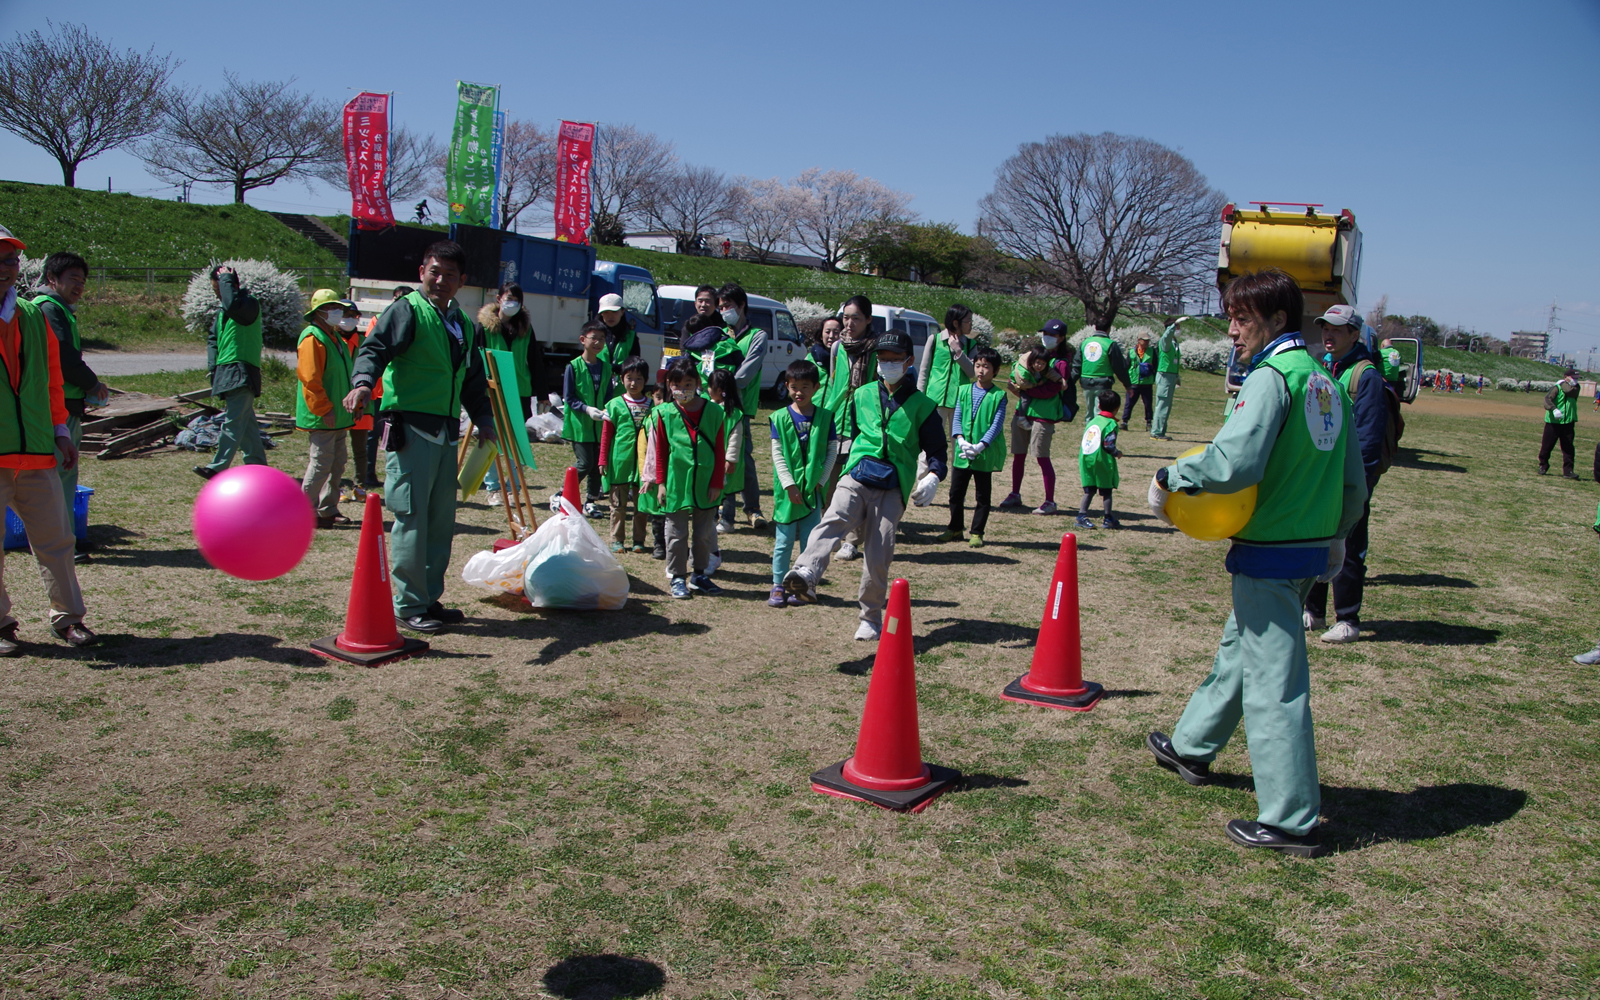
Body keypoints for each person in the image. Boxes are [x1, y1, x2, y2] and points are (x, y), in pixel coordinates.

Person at [1145, 268, 1366, 859]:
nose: (1233, 329)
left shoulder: (1273, 379)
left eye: (1241, 318)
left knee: (1275, 685)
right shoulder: (1326, 380)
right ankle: (1192, 745)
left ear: (1273, 320)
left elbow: (1234, 461)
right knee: (1241, 650)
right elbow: (1353, 482)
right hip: (1309, 548)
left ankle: (1291, 818)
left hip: (1271, 549)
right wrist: (1338, 536)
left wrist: (1171, 476)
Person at [344, 241, 496, 635]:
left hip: (446, 434)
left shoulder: (463, 324)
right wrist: (362, 384)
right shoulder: (407, 310)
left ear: (462, 280)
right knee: (411, 519)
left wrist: (484, 418)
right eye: (434, 271)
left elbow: (473, 381)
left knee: (440, 522)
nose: (440, 280)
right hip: (410, 430)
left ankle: (428, 597)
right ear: (422, 273)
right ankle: (408, 604)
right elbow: (373, 350)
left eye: (449, 274)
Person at [782, 329, 947, 641]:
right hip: (858, 473)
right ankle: (806, 572)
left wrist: (933, 477)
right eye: (882, 360)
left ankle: (870, 617)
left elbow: (937, 451)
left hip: (894, 484)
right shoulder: (862, 395)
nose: (887, 365)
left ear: (909, 361)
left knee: (878, 551)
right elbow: (857, 432)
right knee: (834, 517)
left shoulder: (924, 406)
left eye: (894, 360)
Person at [0, 224, 97, 650]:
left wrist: (60, 431)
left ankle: (68, 619)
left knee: (57, 540)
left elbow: (52, 379)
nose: (5, 267)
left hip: (38, 449)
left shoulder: (33, 314)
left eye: (10, 259)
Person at [1304, 304, 1391, 644]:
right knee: (1314, 539)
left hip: (1348, 478)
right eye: (1326, 328)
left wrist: (1359, 485)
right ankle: (1314, 611)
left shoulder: (1365, 375)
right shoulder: (1324, 367)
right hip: (1321, 475)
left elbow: (1369, 438)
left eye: (1338, 329)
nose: (1329, 334)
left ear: (1355, 334)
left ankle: (1348, 620)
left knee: (1349, 545)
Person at [32, 251, 108, 563]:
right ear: (52, 279)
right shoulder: (50, 309)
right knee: (59, 476)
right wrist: (93, 384)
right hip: (56, 406)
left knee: (62, 475)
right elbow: (64, 357)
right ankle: (61, 546)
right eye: (72, 279)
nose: (79, 285)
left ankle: (65, 540)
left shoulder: (57, 309)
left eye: (82, 280)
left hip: (61, 403)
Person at [648, 357, 727, 599]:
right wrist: (660, 482)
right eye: (677, 385)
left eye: (688, 384)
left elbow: (719, 449)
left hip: (705, 482)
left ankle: (700, 575)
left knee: (704, 533)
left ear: (697, 383)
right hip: (676, 482)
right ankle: (677, 577)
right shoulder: (663, 414)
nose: (683, 390)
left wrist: (716, 483)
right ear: (669, 386)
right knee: (675, 533)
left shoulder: (714, 411)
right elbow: (660, 451)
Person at [767, 360, 837, 607]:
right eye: (794, 386)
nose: (799, 392)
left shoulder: (826, 418)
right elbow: (777, 454)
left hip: (814, 491)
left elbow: (831, 450)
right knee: (784, 541)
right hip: (788, 493)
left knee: (810, 541)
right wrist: (789, 484)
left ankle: (805, 585)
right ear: (786, 386)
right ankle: (778, 584)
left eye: (805, 386)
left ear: (816, 387)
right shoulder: (779, 417)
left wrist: (821, 480)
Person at [195, 264, 266, 480]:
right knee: (246, 424)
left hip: (242, 368)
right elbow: (212, 340)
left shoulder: (248, 305)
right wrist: (213, 369)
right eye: (216, 291)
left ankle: (218, 467)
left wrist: (225, 278)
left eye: (221, 290)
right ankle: (258, 467)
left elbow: (233, 304)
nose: (219, 296)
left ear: (232, 286)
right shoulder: (222, 312)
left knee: (234, 420)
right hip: (227, 369)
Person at [294, 290, 357, 529]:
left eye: (337, 307)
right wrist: (323, 408)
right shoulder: (312, 338)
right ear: (319, 312)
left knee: (337, 463)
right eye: (332, 308)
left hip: (340, 415)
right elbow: (310, 379)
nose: (338, 312)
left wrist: (356, 404)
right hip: (324, 415)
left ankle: (327, 509)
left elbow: (345, 377)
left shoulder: (334, 338)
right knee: (320, 463)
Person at [819, 295, 878, 545]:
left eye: (856, 318)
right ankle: (828, 533)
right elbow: (833, 384)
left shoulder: (876, 348)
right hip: (835, 420)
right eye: (846, 317)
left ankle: (852, 540)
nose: (849, 323)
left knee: (856, 484)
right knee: (828, 481)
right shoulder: (836, 347)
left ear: (868, 320)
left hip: (863, 423)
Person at [479, 282, 543, 502]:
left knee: (516, 440)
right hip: (492, 390)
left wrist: (541, 392)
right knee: (493, 439)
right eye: (508, 298)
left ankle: (514, 485)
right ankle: (494, 487)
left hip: (519, 391)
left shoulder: (526, 329)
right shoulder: (484, 327)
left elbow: (535, 360)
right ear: (498, 298)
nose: (512, 303)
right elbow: (475, 359)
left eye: (516, 300)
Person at [939, 346, 1007, 547]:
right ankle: (955, 528)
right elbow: (957, 416)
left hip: (983, 453)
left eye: (986, 367)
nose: (981, 370)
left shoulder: (999, 395)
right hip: (963, 450)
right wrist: (960, 439)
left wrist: (980, 446)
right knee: (955, 493)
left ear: (995, 371)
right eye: (978, 365)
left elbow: (996, 424)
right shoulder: (964, 390)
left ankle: (977, 532)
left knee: (982, 496)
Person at [717, 284, 768, 532]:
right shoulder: (719, 334)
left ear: (741, 306)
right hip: (716, 406)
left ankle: (752, 509)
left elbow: (747, 372)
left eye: (728, 306)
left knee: (742, 457)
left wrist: (724, 384)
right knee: (718, 455)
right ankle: (721, 507)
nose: (724, 311)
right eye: (721, 307)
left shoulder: (758, 335)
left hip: (741, 407)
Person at [1000, 336, 1068, 515]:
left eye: (1052, 334)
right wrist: (1019, 389)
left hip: (1043, 416)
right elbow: (1017, 383)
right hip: (1022, 414)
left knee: (1042, 457)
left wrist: (1026, 390)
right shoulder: (1026, 364)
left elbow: (1051, 389)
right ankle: (1015, 493)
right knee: (1018, 455)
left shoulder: (1059, 364)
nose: (1048, 338)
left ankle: (1049, 501)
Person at [916, 304, 977, 480]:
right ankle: (922, 483)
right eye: (968, 321)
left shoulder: (971, 345)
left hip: (960, 403)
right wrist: (920, 398)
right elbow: (924, 371)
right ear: (956, 322)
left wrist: (958, 351)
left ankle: (955, 487)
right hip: (934, 402)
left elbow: (972, 372)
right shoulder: (934, 340)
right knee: (929, 444)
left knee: (959, 446)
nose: (971, 325)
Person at [598, 357, 653, 553]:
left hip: (643, 462)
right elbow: (606, 435)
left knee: (642, 505)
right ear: (622, 379)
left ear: (645, 380)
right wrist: (602, 459)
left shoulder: (652, 405)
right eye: (629, 378)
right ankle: (617, 540)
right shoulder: (614, 405)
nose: (633, 383)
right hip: (619, 461)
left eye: (639, 379)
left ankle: (639, 540)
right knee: (617, 504)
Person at [563, 321, 615, 513]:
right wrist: (586, 409)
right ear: (583, 340)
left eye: (602, 339)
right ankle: (563, 493)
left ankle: (591, 500)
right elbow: (569, 397)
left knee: (596, 464)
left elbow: (609, 394)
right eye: (594, 338)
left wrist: (607, 410)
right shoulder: (574, 366)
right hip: (581, 424)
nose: (598, 343)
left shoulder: (605, 367)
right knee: (585, 462)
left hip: (599, 425)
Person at [1077, 389, 1123, 529]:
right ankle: (1108, 518)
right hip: (1101, 460)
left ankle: (1082, 515)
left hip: (1086, 458)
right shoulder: (1110, 424)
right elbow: (1108, 444)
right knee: (1106, 490)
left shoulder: (1093, 420)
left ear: (1099, 406)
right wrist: (1117, 453)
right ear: (1117, 408)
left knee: (1089, 489)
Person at [1072, 321, 1131, 418]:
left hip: (1086, 381)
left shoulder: (1085, 343)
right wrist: (1127, 385)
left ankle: (1089, 431)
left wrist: (1071, 382)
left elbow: (1077, 365)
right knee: (1100, 413)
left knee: (1089, 413)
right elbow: (1119, 367)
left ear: (1095, 327)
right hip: (1103, 382)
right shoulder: (1110, 344)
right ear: (1109, 329)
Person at [1539, 368, 1580, 479]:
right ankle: (1543, 465)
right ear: (1566, 376)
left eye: (1577, 379)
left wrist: (1564, 383)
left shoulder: (1575, 388)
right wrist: (1554, 409)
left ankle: (1568, 471)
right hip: (1553, 422)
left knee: (1568, 448)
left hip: (1568, 422)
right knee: (1547, 446)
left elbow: (1569, 391)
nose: (1575, 381)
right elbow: (1547, 399)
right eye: (1573, 378)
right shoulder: (1556, 388)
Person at [1151, 318, 1184, 440]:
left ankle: (1161, 431)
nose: (1179, 330)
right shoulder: (1165, 341)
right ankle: (1156, 432)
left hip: (1171, 376)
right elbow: (1166, 336)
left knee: (1167, 405)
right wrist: (1173, 326)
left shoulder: (1175, 343)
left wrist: (1177, 377)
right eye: (1178, 327)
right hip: (1164, 376)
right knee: (1162, 404)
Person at [1121, 332, 1158, 431]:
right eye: (1144, 340)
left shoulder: (1152, 352)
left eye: (1148, 340)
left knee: (1148, 404)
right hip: (1133, 382)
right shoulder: (1131, 352)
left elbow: (1156, 365)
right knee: (1129, 403)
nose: (1146, 342)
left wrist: (1153, 377)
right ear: (1139, 340)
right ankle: (1124, 422)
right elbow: (1126, 365)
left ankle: (1149, 423)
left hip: (1147, 383)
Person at [596, 292, 638, 375]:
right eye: (606, 312)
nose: (610, 316)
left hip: (621, 386)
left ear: (622, 312)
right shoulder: (594, 335)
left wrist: (618, 369)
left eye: (614, 312)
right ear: (601, 313)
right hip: (598, 385)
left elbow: (636, 364)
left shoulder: (631, 336)